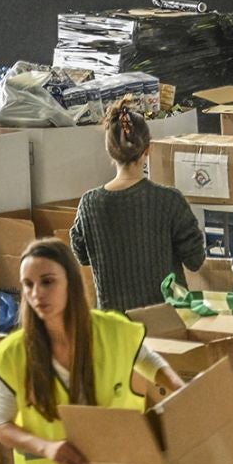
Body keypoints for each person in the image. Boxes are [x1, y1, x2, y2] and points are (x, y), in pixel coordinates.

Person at [0, 239, 183, 464]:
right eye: (28, 285)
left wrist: (180, 389)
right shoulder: (14, 354)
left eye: (47, 282)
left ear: (71, 282)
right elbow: (0, 425)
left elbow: (148, 359)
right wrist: (46, 447)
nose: (37, 294)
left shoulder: (111, 331)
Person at [69, 99, 205, 312]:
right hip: (168, 322)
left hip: (116, 327)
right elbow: (195, 260)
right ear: (147, 150)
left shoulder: (89, 204)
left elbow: (82, 255)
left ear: (110, 151)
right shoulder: (169, 200)